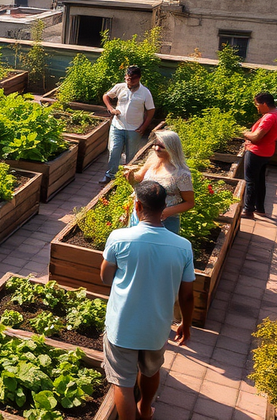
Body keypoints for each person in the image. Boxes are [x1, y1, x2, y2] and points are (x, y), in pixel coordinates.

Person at [99, 180, 195, 420]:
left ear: (137, 205)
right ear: (164, 207)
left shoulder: (119, 238)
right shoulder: (183, 246)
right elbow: (187, 294)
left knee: (122, 382)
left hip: (122, 326)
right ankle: (145, 410)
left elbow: (105, 276)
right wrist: (186, 323)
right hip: (157, 327)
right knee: (151, 371)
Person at [121, 130, 194, 234]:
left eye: (161, 146)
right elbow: (139, 178)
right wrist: (130, 175)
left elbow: (190, 203)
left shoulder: (182, 174)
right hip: (140, 215)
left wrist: (166, 212)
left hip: (165, 222)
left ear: (171, 148)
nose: (156, 149)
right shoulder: (152, 160)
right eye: (155, 145)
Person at [101, 65, 156, 184]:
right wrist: (111, 109)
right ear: (125, 77)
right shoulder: (120, 87)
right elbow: (106, 96)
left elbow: (151, 110)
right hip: (117, 125)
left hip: (134, 129)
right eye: (128, 78)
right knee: (114, 151)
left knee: (131, 155)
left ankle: (127, 178)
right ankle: (110, 175)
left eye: (133, 79)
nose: (130, 81)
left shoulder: (145, 92)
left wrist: (144, 127)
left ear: (139, 78)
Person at [241, 92, 277, 219]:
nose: (257, 107)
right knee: (259, 180)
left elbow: (256, 137)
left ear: (264, 104)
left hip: (257, 152)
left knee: (250, 181)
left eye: (257, 104)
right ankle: (260, 208)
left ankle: (248, 210)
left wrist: (245, 133)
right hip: (267, 151)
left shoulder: (269, 117)